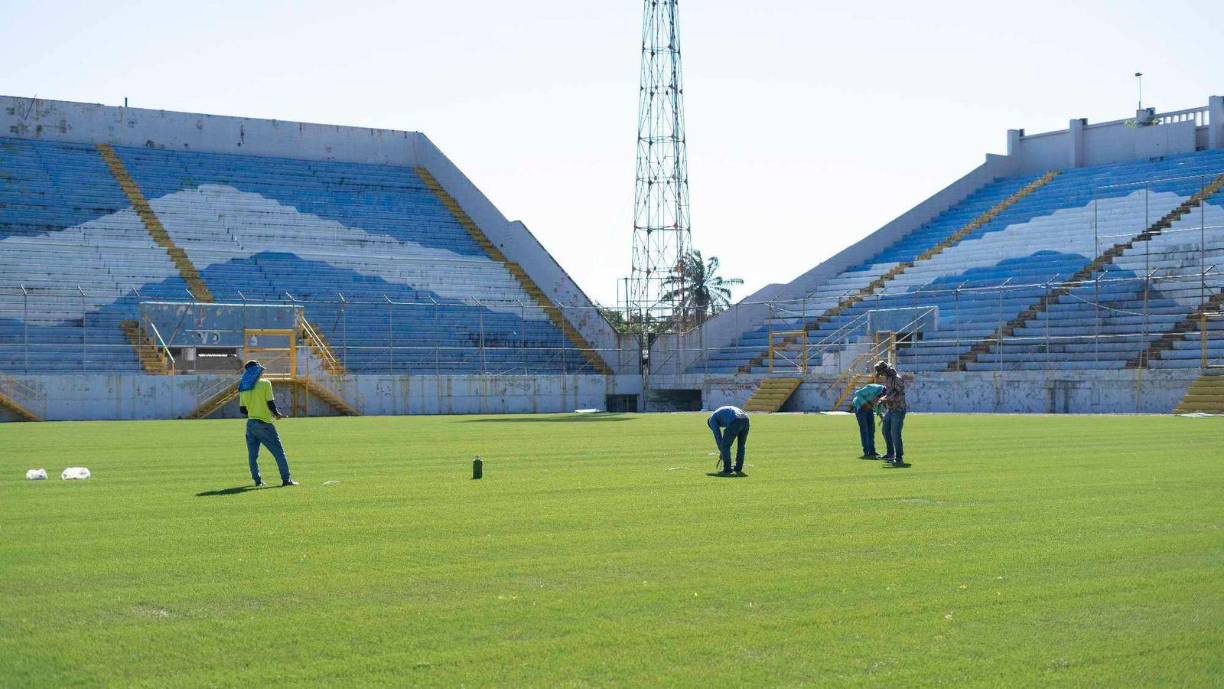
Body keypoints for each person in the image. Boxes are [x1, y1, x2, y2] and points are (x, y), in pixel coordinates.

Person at [238, 360, 299, 487]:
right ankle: (286, 480)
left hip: (251, 424)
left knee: (253, 455)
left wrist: (253, 406)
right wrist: (277, 414)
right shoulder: (265, 384)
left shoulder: (244, 386)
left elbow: (243, 410)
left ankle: (257, 481)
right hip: (264, 424)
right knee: (279, 452)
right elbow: (270, 403)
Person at [876, 361, 911, 468]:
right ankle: (890, 454)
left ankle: (899, 457)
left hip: (898, 409)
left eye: (882, 373)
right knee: (885, 431)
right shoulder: (888, 378)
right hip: (890, 409)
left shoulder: (897, 378)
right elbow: (889, 393)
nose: (881, 375)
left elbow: (900, 394)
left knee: (895, 434)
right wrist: (883, 399)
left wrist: (886, 400)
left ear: (885, 370)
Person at [707, 405, 750, 477]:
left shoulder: (712, 420)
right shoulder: (720, 413)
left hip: (735, 420)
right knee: (741, 446)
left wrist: (722, 451)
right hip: (746, 419)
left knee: (725, 446)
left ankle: (727, 469)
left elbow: (718, 437)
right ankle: (738, 468)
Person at [849, 382, 886, 459]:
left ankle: (872, 451)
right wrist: (865, 403)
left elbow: (877, 405)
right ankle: (866, 452)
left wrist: (881, 416)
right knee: (864, 430)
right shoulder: (873, 388)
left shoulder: (883, 395)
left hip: (869, 408)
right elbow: (857, 393)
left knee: (872, 430)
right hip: (860, 407)